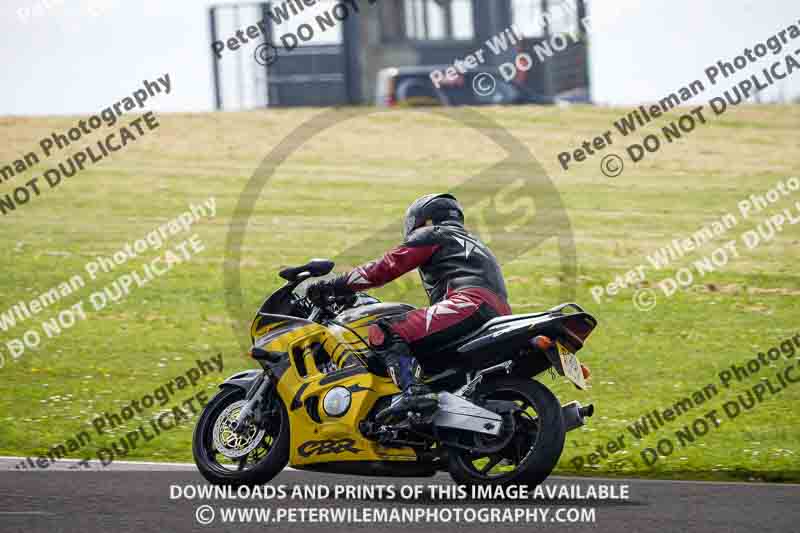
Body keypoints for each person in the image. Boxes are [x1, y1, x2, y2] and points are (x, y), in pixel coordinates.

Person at [308, 193, 512, 418]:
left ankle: (413, 392)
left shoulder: (433, 233)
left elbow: (386, 267)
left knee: (383, 330)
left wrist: (335, 286)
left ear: (423, 219)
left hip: (466, 304)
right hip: (496, 313)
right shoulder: (475, 242)